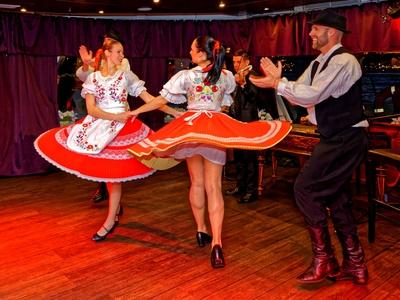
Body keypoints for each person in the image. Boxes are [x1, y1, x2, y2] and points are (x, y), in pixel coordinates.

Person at [127, 35, 291, 268]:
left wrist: (136, 111)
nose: (190, 53)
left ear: (202, 54)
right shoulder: (225, 76)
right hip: (214, 129)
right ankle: (216, 242)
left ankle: (201, 230)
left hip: (193, 128)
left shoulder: (186, 76)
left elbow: (161, 100)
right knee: (214, 186)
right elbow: (226, 101)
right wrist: (214, 109)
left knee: (197, 183)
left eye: (192, 50)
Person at [250, 10, 368, 285]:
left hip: (347, 136)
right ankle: (356, 263)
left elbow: (311, 94)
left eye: (316, 29)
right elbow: (300, 95)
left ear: (333, 33)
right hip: (334, 136)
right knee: (335, 197)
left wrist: (279, 84)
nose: (311, 34)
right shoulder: (317, 63)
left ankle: (324, 259)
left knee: (304, 188)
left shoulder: (345, 61)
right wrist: (277, 82)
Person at [34, 38, 177, 242]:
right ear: (108, 53)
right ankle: (114, 212)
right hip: (100, 125)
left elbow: (150, 99)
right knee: (108, 174)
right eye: (118, 52)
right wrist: (115, 117)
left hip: (123, 129)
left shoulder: (126, 75)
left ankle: (110, 220)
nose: (122, 56)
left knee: (114, 176)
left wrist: (175, 113)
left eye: (122, 52)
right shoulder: (93, 78)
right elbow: (91, 109)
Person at [76, 29, 131, 204]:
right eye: (105, 40)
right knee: (99, 151)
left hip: (118, 113)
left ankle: (113, 201)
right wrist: (87, 64)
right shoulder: (98, 60)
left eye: (109, 40)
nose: (106, 42)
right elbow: (84, 76)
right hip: (100, 113)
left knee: (114, 157)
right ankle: (104, 190)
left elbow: (121, 77)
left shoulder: (122, 62)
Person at [225, 49, 265, 203]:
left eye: (238, 61)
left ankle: (251, 191)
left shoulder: (252, 74)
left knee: (250, 158)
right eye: (234, 61)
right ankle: (240, 186)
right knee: (239, 157)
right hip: (237, 121)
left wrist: (243, 84)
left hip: (249, 122)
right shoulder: (235, 75)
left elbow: (254, 96)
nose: (235, 64)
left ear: (247, 61)